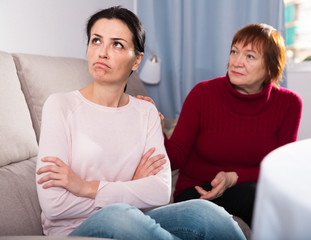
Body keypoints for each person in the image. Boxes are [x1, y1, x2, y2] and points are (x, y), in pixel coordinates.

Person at [36, 6, 246, 240]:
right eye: (96, 40)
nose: (102, 52)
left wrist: (86, 187)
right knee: (120, 213)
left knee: (207, 213)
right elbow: (54, 205)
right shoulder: (60, 105)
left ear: (136, 61)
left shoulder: (145, 111)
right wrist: (132, 186)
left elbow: (160, 191)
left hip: (134, 218)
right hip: (74, 231)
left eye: (117, 44)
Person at [139, 23, 302, 227]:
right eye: (234, 52)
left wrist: (234, 177)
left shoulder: (289, 104)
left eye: (250, 56)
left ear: (271, 67)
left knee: (282, 198)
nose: (236, 62)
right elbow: (176, 157)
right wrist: (156, 130)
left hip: (248, 187)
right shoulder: (203, 94)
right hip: (198, 192)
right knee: (258, 199)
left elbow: (280, 167)